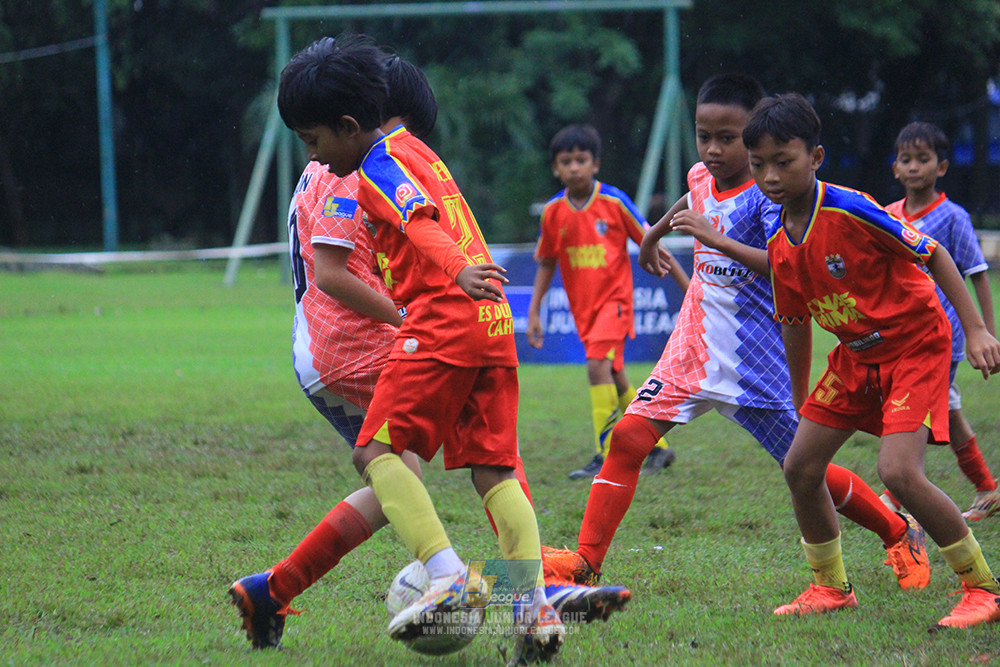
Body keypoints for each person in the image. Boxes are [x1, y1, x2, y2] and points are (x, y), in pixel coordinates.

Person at [229, 47, 627, 654]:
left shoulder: (373, 163)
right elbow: (354, 255)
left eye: (313, 139)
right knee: (490, 466)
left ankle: (449, 579)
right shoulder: (417, 156)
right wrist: (466, 275)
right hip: (482, 325)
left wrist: (455, 272)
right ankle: (534, 602)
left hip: (431, 321)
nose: (311, 154)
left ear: (356, 123)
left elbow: (415, 221)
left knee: (381, 457)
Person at [542, 74, 931, 595]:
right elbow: (693, 193)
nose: (714, 149)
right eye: (705, 135)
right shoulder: (703, 173)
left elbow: (785, 266)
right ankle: (587, 563)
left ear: (756, 136)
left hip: (756, 355)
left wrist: (713, 239)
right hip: (693, 343)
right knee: (628, 438)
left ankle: (899, 531)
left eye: (728, 138)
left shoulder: (770, 196)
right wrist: (655, 232)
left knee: (804, 468)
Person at [745, 93, 1000, 628]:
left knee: (899, 472)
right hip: (856, 356)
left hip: (915, 345)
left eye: (783, 162)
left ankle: (984, 590)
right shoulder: (776, 235)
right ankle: (831, 587)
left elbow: (936, 255)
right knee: (800, 466)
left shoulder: (851, 208)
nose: (770, 176)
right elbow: (793, 321)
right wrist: (799, 400)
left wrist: (975, 329)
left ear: (815, 157)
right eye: (758, 164)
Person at [527, 124, 687, 480]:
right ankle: (658, 449)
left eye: (580, 160)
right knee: (614, 374)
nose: (573, 168)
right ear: (555, 168)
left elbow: (653, 241)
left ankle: (603, 453)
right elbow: (547, 261)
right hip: (584, 311)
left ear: (595, 164)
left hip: (615, 304)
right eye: (565, 162)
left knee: (597, 365)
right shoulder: (553, 212)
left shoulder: (614, 202)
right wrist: (534, 310)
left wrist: (689, 289)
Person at [878, 121, 999, 522]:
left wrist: (985, 332)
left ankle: (895, 491)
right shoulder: (887, 214)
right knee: (945, 410)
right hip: (898, 335)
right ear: (895, 168)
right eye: (906, 160)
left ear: (941, 167)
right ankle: (987, 488)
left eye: (923, 159)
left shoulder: (953, 217)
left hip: (942, 336)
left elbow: (978, 274)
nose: (914, 167)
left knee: (917, 410)